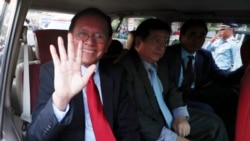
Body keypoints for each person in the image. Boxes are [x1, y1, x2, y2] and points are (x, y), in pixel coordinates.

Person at [27, 7, 141, 141]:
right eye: (82, 33)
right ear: (70, 37)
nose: (90, 42)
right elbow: (35, 136)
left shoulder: (116, 74)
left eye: (99, 36)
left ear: (108, 43)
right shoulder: (53, 72)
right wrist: (60, 100)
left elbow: (128, 128)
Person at [117, 18, 229, 141]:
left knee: (214, 124)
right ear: (138, 43)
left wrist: (180, 115)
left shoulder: (159, 64)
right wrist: (171, 138)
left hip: (169, 114)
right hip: (152, 126)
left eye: (165, 43)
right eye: (157, 41)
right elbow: (130, 114)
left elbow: (172, 90)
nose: (162, 48)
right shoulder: (123, 69)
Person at [164, 19, 244, 141]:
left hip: (195, 95)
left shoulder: (204, 55)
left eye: (202, 35)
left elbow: (222, 78)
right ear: (181, 36)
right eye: (192, 34)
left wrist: (245, 68)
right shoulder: (167, 55)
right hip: (174, 99)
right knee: (209, 113)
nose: (197, 40)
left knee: (232, 97)